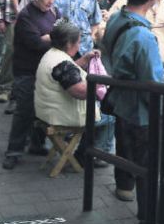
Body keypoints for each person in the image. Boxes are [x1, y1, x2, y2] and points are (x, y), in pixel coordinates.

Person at [99, 0, 164, 224]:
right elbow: (153, 83)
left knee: (135, 162)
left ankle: (146, 219)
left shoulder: (117, 19)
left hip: (124, 105)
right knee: (152, 171)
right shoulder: (144, 37)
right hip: (144, 114)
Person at [2, 0, 61, 170]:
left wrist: (48, 37)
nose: (50, 1)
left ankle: (37, 144)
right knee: (24, 111)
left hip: (46, 70)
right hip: (26, 71)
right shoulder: (26, 16)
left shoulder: (54, 12)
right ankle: (13, 151)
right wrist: (49, 38)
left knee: (42, 110)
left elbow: (60, 35)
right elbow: (36, 43)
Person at [34, 21, 109, 165]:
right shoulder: (62, 63)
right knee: (109, 118)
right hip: (60, 115)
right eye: (78, 42)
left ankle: (84, 153)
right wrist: (102, 84)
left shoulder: (52, 55)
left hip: (47, 111)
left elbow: (66, 72)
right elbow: (79, 92)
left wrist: (86, 59)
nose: (79, 46)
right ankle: (87, 156)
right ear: (69, 44)